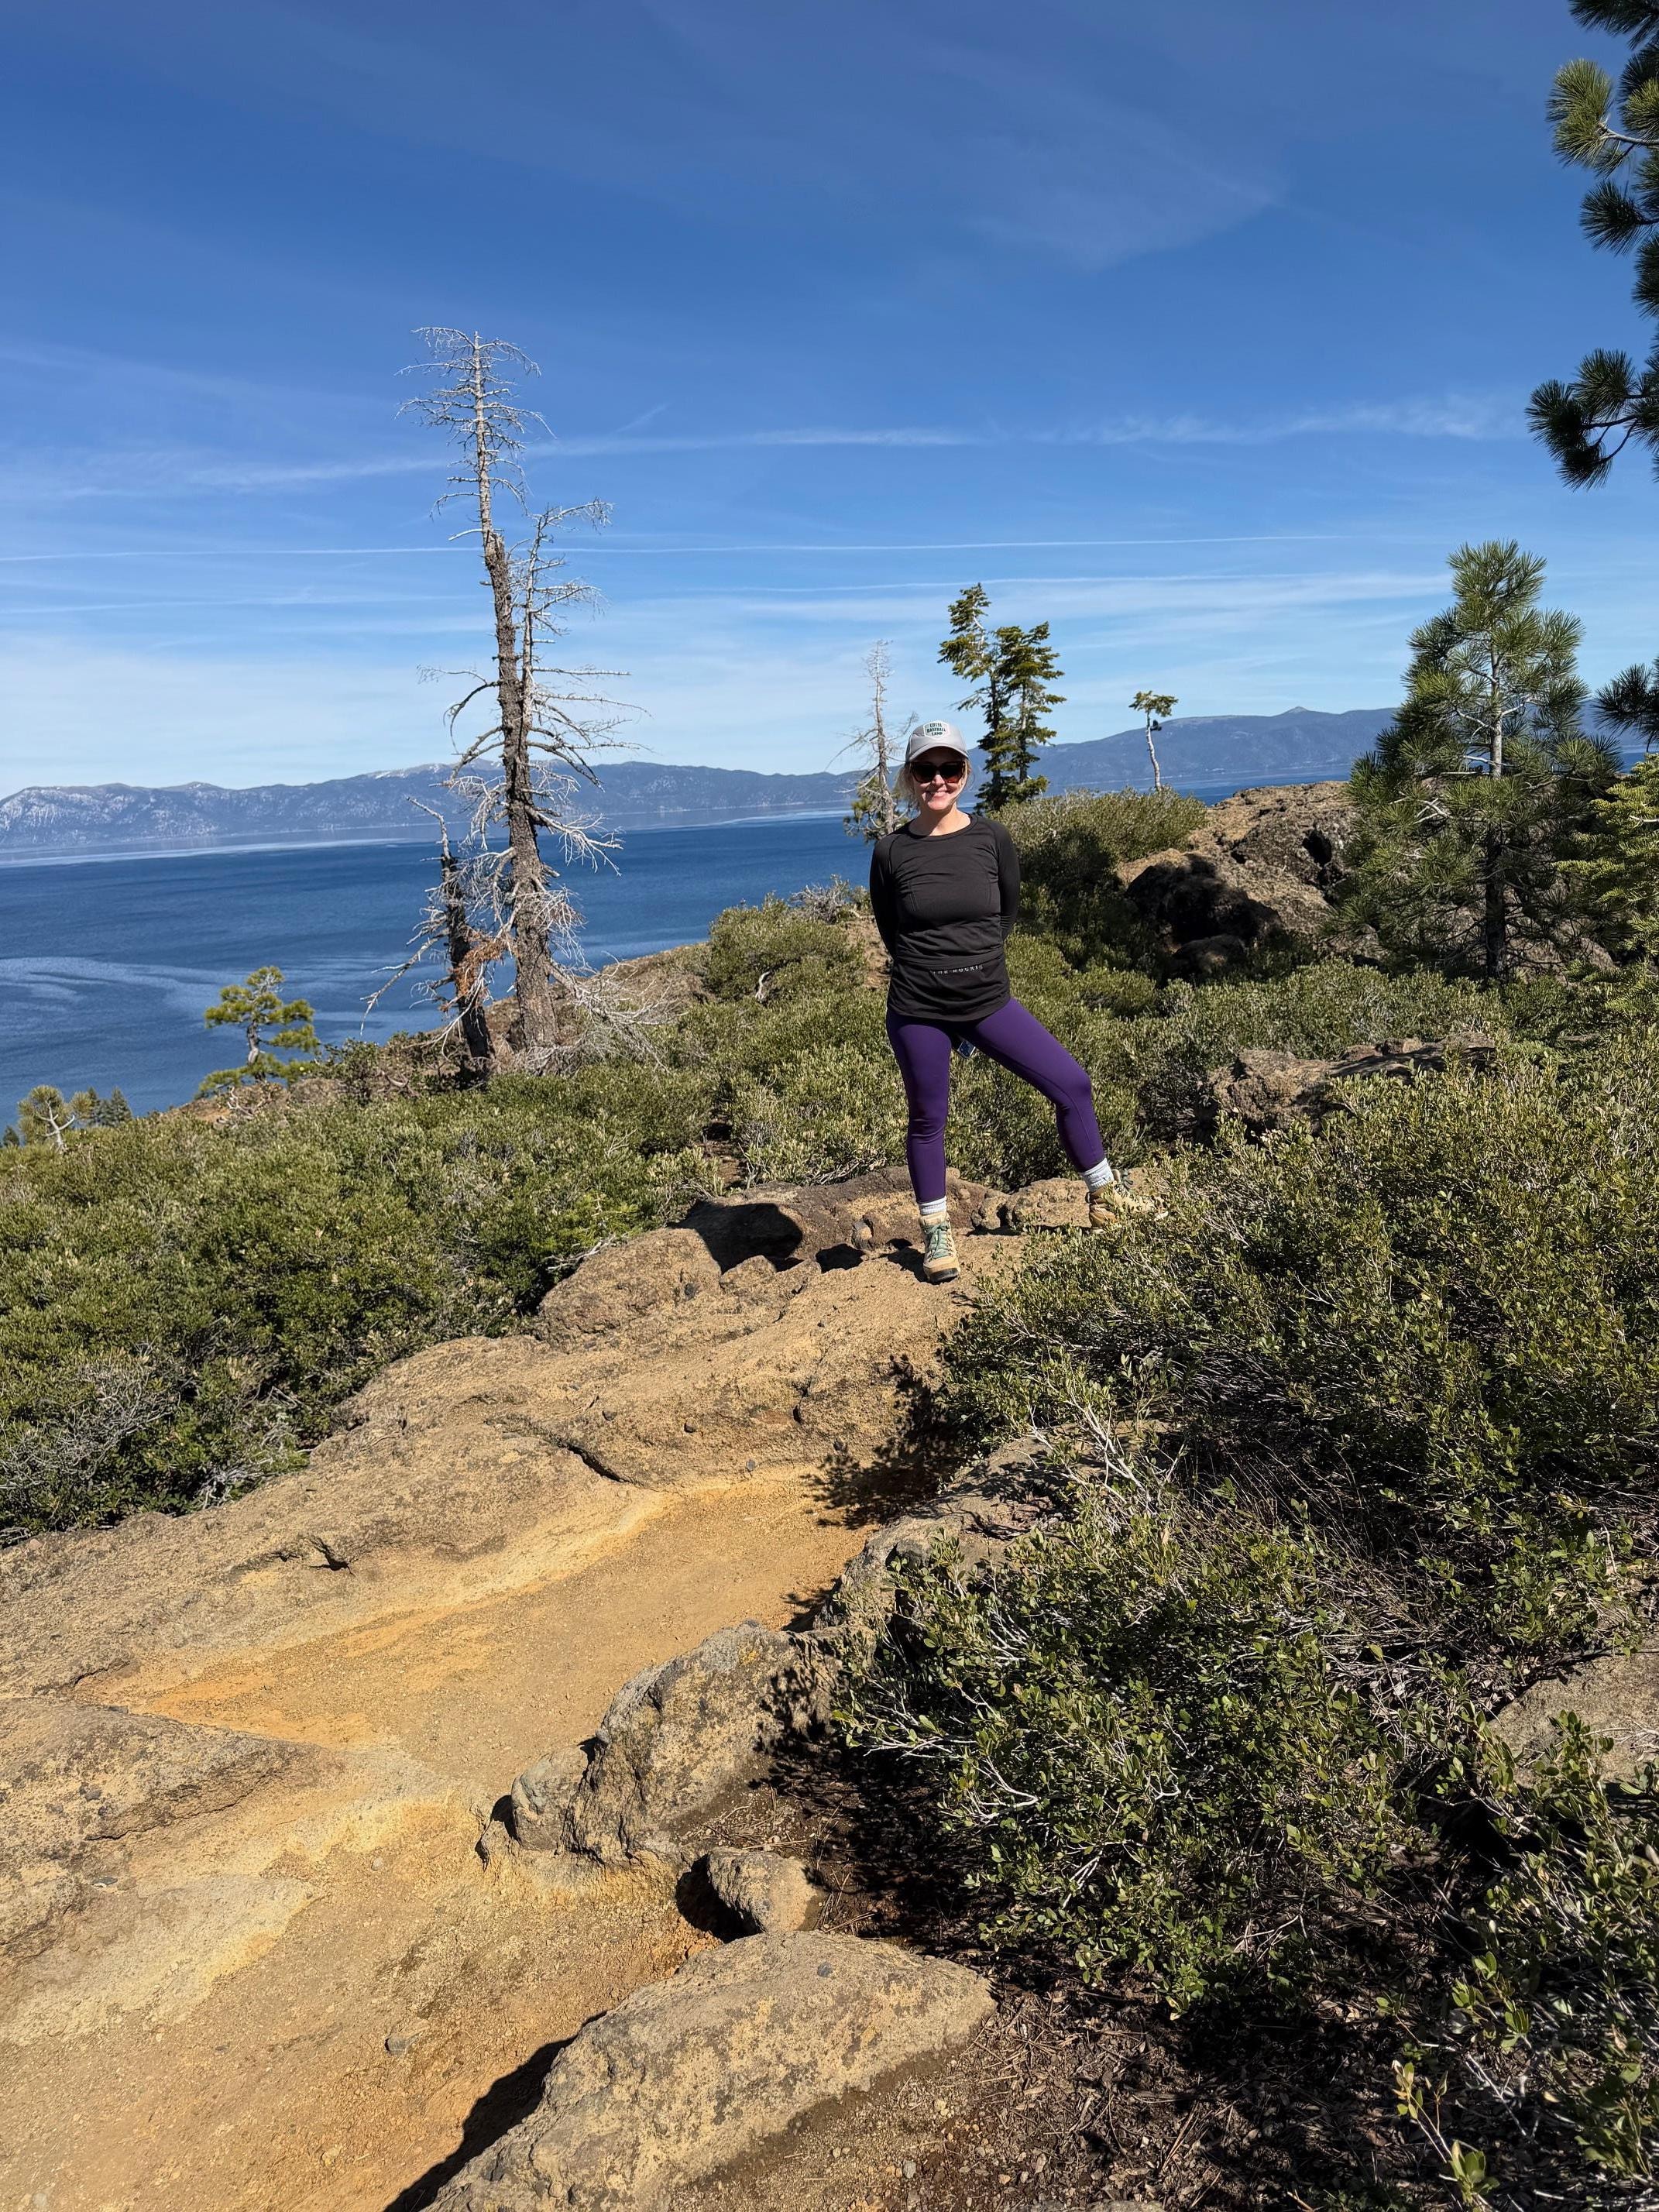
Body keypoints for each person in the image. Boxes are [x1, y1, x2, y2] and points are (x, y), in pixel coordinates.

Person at [868, 720, 1134, 1284]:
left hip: (988, 1001)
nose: (938, 780)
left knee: (1073, 1084)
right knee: (928, 1119)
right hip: (918, 1008)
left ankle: (1105, 1198)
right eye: (925, 769)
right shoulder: (891, 851)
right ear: (909, 778)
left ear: (965, 773)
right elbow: (891, 930)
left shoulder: (992, 838)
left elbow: (1004, 914)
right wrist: (938, 974)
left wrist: (972, 970)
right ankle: (936, 1235)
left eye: (949, 768)